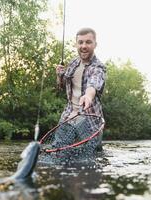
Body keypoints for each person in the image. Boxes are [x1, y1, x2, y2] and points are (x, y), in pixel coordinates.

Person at [55, 27, 106, 155]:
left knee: (93, 156)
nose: (84, 46)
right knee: (59, 152)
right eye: (81, 42)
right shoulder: (72, 63)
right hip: (69, 114)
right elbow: (61, 86)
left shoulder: (98, 67)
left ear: (95, 44)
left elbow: (93, 83)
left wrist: (88, 97)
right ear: (76, 44)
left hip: (90, 119)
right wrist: (59, 75)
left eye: (88, 42)